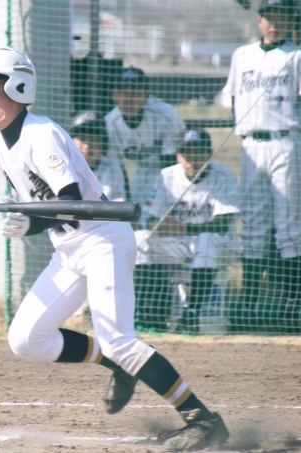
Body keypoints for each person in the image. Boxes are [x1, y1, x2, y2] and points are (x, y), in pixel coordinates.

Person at [0, 46, 229, 451]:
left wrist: (32, 223)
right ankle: (118, 363)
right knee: (27, 339)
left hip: (103, 240)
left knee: (119, 338)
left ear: (18, 87)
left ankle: (203, 420)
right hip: (68, 249)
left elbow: (69, 201)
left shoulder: (41, 133)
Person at [223, 0, 301, 327]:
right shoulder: (242, 55)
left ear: (291, 20)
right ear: (259, 20)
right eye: (269, 17)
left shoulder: (299, 56)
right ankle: (249, 301)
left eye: (282, 16)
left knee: (290, 225)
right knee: (253, 224)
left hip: (288, 141)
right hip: (252, 144)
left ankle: (292, 303)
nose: (275, 23)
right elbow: (234, 100)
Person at [134, 129, 240, 333]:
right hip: (180, 243)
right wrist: (159, 224)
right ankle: (148, 314)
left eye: (199, 152)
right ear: (178, 156)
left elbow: (223, 224)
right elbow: (152, 217)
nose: (193, 159)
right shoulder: (167, 175)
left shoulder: (223, 175)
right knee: (141, 239)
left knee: (206, 240)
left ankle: (191, 314)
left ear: (209, 154)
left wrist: (184, 227)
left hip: (221, 245)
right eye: (187, 153)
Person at [104, 66, 185, 206]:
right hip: (141, 171)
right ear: (114, 95)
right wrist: (127, 201)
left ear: (146, 94)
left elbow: (172, 161)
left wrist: (168, 196)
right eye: (122, 92)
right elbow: (118, 168)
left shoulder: (166, 115)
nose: (128, 99)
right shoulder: (111, 123)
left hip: (172, 171)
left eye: (135, 92)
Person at [70, 110, 127, 201]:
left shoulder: (111, 167)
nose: (87, 146)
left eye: (94, 140)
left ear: (102, 144)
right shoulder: (64, 166)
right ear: (71, 141)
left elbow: (118, 201)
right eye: (82, 139)